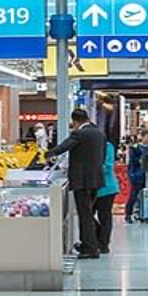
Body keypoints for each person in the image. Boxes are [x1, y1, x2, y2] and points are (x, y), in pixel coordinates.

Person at [45, 109, 106, 259]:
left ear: (76, 121)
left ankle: (90, 249)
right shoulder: (100, 134)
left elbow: (62, 148)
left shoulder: (79, 134)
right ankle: (93, 242)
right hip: (96, 179)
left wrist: (47, 154)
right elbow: (102, 156)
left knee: (84, 214)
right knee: (88, 212)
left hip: (82, 180)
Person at [94, 140, 119, 254]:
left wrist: (90, 171)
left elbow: (108, 166)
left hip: (107, 187)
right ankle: (98, 239)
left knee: (104, 216)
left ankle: (103, 244)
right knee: (87, 215)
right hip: (92, 188)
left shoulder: (107, 146)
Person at [124, 130, 148, 224]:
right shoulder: (135, 148)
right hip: (137, 174)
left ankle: (145, 213)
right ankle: (128, 213)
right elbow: (132, 162)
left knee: (147, 195)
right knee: (134, 194)